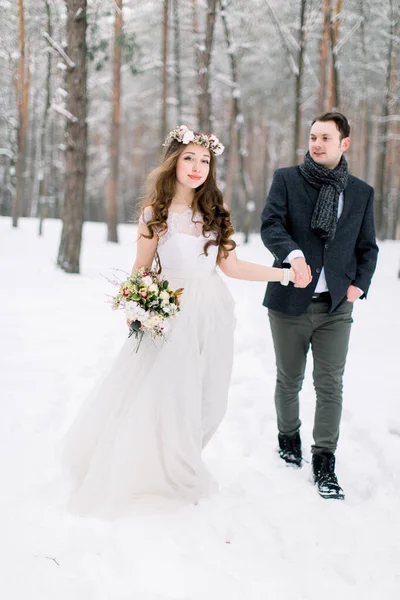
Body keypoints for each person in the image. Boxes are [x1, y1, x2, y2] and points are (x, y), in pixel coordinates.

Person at [61, 125, 307, 518]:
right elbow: (140, 269)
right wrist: (136, 308)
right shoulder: (154, 214)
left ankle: (184, 455)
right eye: (189, 158)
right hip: (171, 311)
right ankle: (162, 470)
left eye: (205, 160)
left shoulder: (214, 214)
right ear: (175, 162)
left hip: (211, 313)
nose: (197, 167)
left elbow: (232, 266)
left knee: (211, 400)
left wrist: (283, 274)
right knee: (168, 395)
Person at [260, 112, 379, 500]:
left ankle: (324, 459)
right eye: (313, 136)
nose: (317, 143)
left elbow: (367, 248)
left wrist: (359, 285)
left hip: (335, 309)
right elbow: (271, 225)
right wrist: (292, 255)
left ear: (344, 143)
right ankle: (288, 436)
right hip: (288, 303)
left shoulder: (360, 192)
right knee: (289, 380)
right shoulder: (287, 180)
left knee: (330, 385)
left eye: (326, 137)